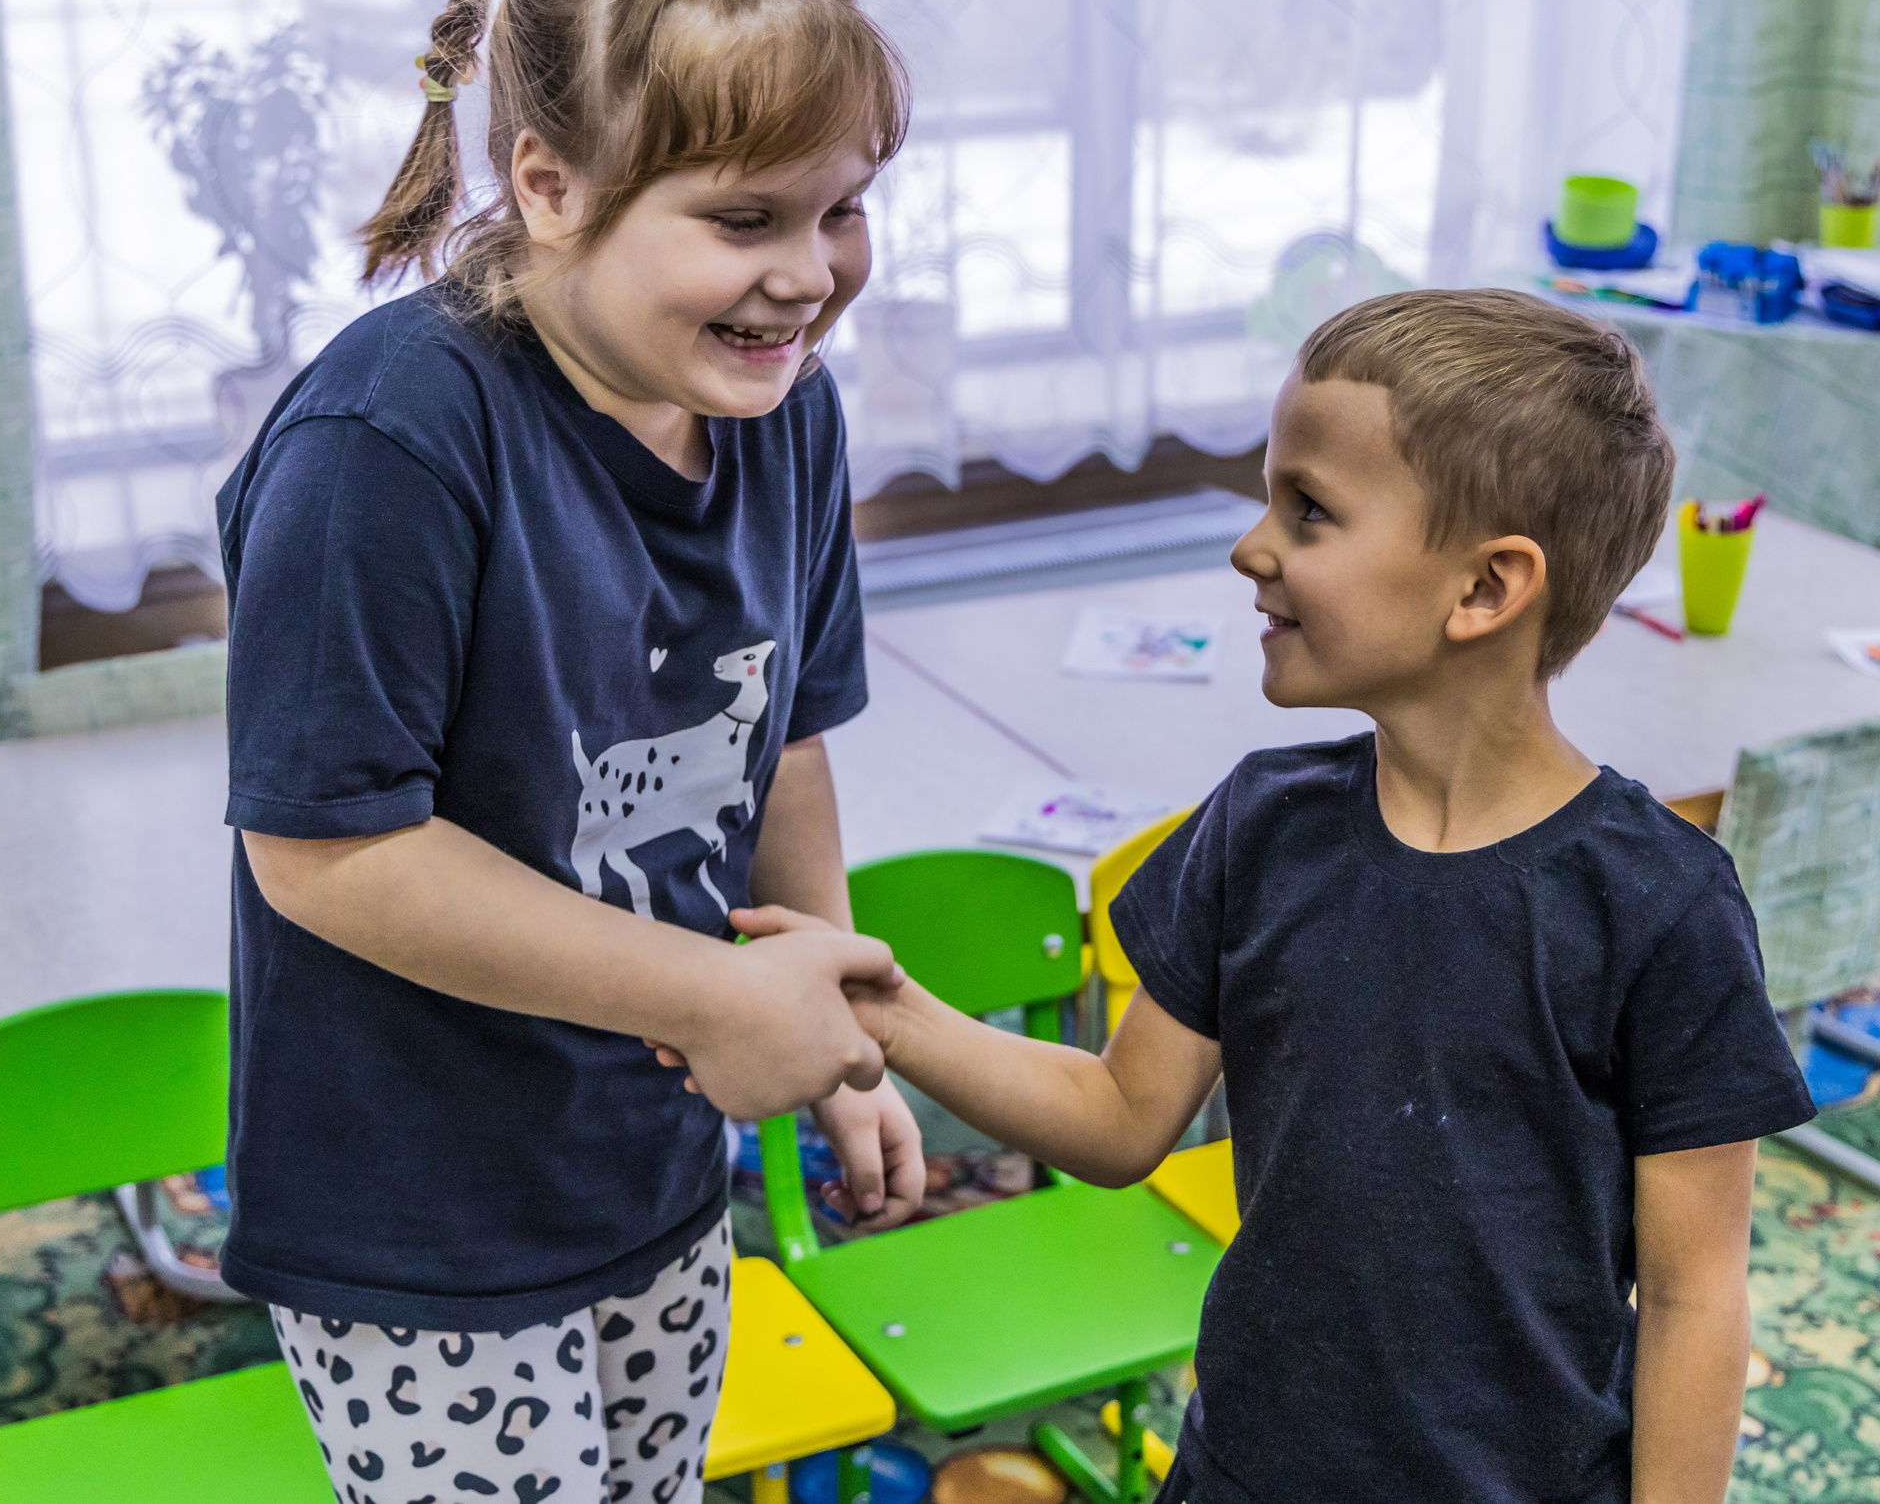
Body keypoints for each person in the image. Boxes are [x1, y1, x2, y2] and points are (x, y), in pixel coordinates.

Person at [724, 290, 1819, 1502]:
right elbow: (1118, 1118)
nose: (1251, 548)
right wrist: (887, 1010)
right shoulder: (1262, 825)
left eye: (1309, 511)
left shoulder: (1659, 906)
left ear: (1484, 588)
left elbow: (1693, 1294)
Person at [214, 0, 919, 1503]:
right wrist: (715, 1000)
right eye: (744, 217)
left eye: (842, 208)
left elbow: (783, 742)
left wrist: (832, 1016)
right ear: (547, 185)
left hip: (649, 1162)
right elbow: (329, 851)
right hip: (423, 1217)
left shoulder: (787, 407)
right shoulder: (387, 441)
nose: (809, 274)